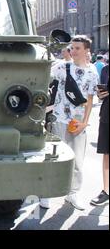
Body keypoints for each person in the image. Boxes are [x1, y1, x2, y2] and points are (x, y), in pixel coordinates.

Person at [40, 36, 99, 210]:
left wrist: (85, 123)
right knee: (53, 158)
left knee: (77, 161)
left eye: (77, 48)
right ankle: (46, 193)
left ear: (87, 50)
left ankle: (72, 194)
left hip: (77, 123)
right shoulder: (62, 67)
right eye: (71, 48)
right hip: (59, 119)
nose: (72, 51)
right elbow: (45, 78)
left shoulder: (92, 71)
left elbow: (89, 99)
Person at [90, 64, 109, 206]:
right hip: (107, 116)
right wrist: (101, 94)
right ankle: (106, 191)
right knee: (107, 154)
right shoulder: (106, 69)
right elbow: (102, 94)